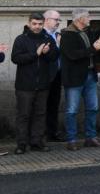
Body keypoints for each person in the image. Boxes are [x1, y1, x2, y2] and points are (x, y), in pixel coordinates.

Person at [60, 9, 100, 150]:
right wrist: (93, 48)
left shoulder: (89, 32)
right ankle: (71, 140)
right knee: (72, 110)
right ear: (79, 19)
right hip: (74, 78)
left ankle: (91, 137)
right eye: (87, 16)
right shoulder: (67, 35)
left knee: (93, 108)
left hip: (90, 76)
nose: (90, 18)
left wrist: (99, 48)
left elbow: (94, 52)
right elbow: (73, 55)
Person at [12, 12, 60, 154]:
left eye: (40, 24)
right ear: (29, 23)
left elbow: (55, 57)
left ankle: (37, 142)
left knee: (40, 114)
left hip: (43, 85)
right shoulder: (21, 39)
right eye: (34, 24)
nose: (37, 26)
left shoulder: (47, 38)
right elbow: (16, 58)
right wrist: (36, 53)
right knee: (24, 115)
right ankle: (21, 144)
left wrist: (48, 52)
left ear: (43, 23)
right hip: (25, 85)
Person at [42, 9, 62, 144]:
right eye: (56, 20)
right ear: (47, 20)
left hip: (58, 75)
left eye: (59, 20)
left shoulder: (58, 35)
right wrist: (58, 45)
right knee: (41, 106)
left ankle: (52, 132)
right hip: (44, 76)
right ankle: (40, 134)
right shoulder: (41, 35)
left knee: (54, 105)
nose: (58, 22)